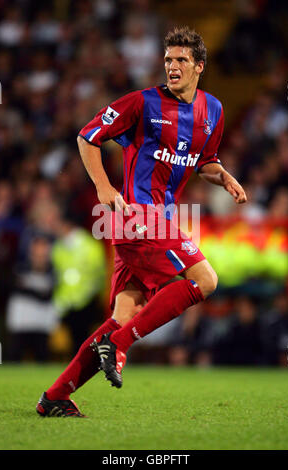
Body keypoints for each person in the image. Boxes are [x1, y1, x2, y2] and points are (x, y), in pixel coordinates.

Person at [36, 26, 247, 417]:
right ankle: (119, 345)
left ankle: (55, 397)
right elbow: (87, 137)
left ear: (200, 66)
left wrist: (224, 177)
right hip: (134, 215)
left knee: (121, 317)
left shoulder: (212, 110)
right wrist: (102, 186)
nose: (173, 66)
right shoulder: (141, 103)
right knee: (206, 280)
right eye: (168, 59)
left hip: (159, 219)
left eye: (182, 60)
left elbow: (204, 162)